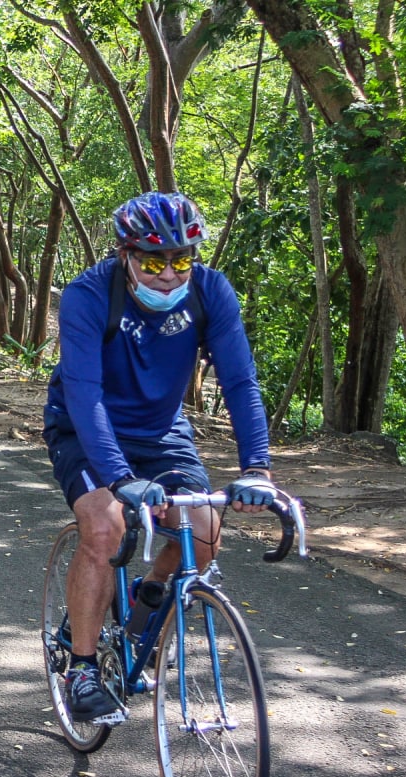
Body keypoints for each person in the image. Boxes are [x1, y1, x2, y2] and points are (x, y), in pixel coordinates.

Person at [42, 191, 277, 724]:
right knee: (105, 528)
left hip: (162, 430)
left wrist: (257, 468)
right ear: (125, 255)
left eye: (181, 260)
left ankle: (145, 603)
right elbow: (84, 393)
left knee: (204, 532)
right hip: (85, 427)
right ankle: (82, 670)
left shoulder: (211, 292)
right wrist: (119, 478)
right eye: (153, 262)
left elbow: (240, 382)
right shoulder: (88, 295)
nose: (169, 274)